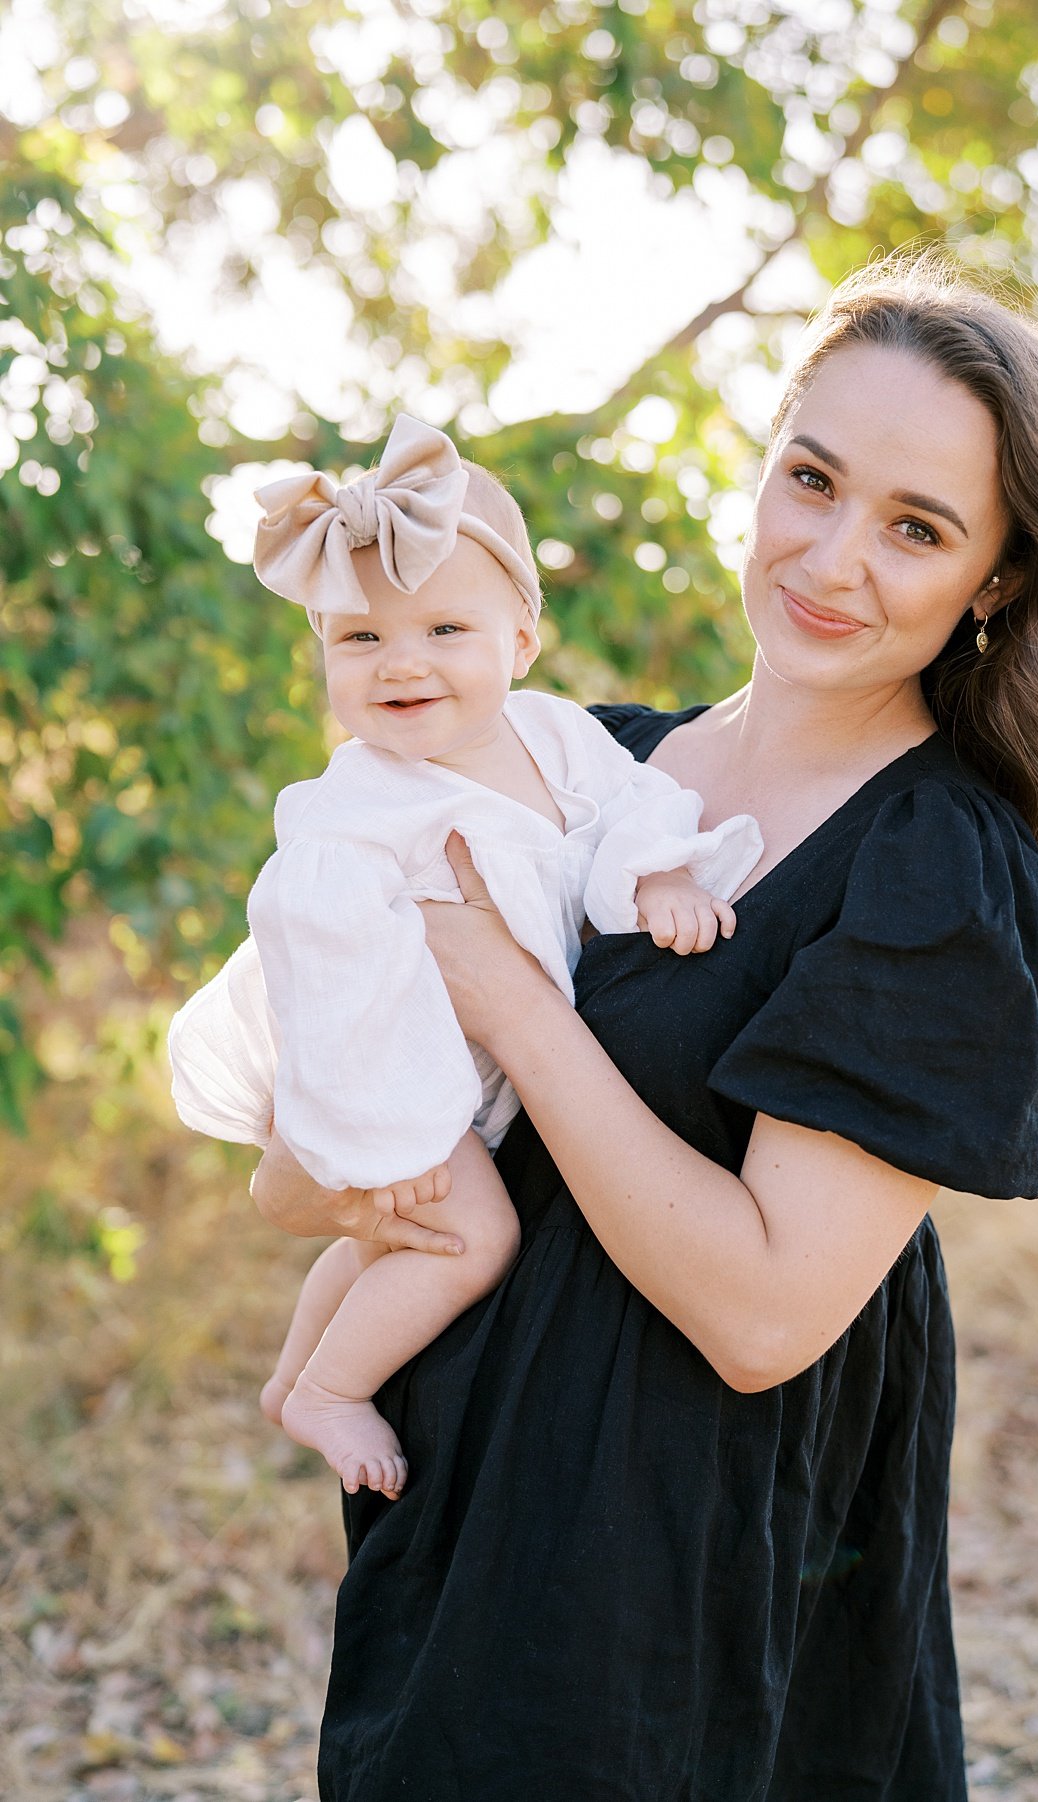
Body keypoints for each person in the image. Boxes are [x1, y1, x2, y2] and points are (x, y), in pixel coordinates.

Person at [250, 258, 1038, 1800]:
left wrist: (510, 1000)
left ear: (995, 582)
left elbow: (761, 1316)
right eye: (811, 478)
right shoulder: (589, 768)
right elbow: (304, 1156)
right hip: (469, 1504)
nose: (829, 555)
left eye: (917, 526)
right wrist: (330, 1157)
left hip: (687, 1568)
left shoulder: (935, 858)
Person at [167, 414, 761, 1503]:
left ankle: (298, 1373)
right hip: (392, 1065)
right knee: (468, 1234)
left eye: (445, 628)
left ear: (521, 640)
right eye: (359, 638)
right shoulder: (356, 805)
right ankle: (332, 1387)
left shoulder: (563, 740)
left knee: (395, 1244)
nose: (402, 662)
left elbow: (634, 806)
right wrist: (373, 1124)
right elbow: (325, 962)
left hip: (485, 1057)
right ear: (323, 653)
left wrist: (661, 877)